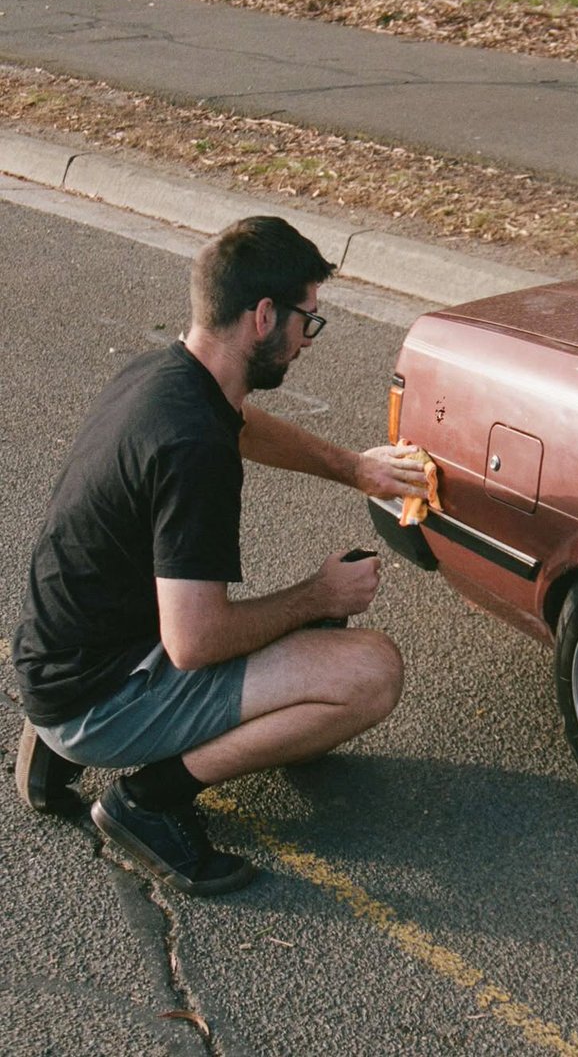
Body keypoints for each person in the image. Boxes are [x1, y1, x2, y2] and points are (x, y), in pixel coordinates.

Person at [12, 215, 428, 896]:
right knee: (369, 671)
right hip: (98, 695)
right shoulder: (193, 449)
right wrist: (318, 596)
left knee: (296, 631)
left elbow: (242, 424)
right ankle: (147, 802)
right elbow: (196, 641)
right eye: (307, 321)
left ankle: (54, 743)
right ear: (264, 317)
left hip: (62, 654)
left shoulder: (167, 378)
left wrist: (355, 468)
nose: (306, 342)